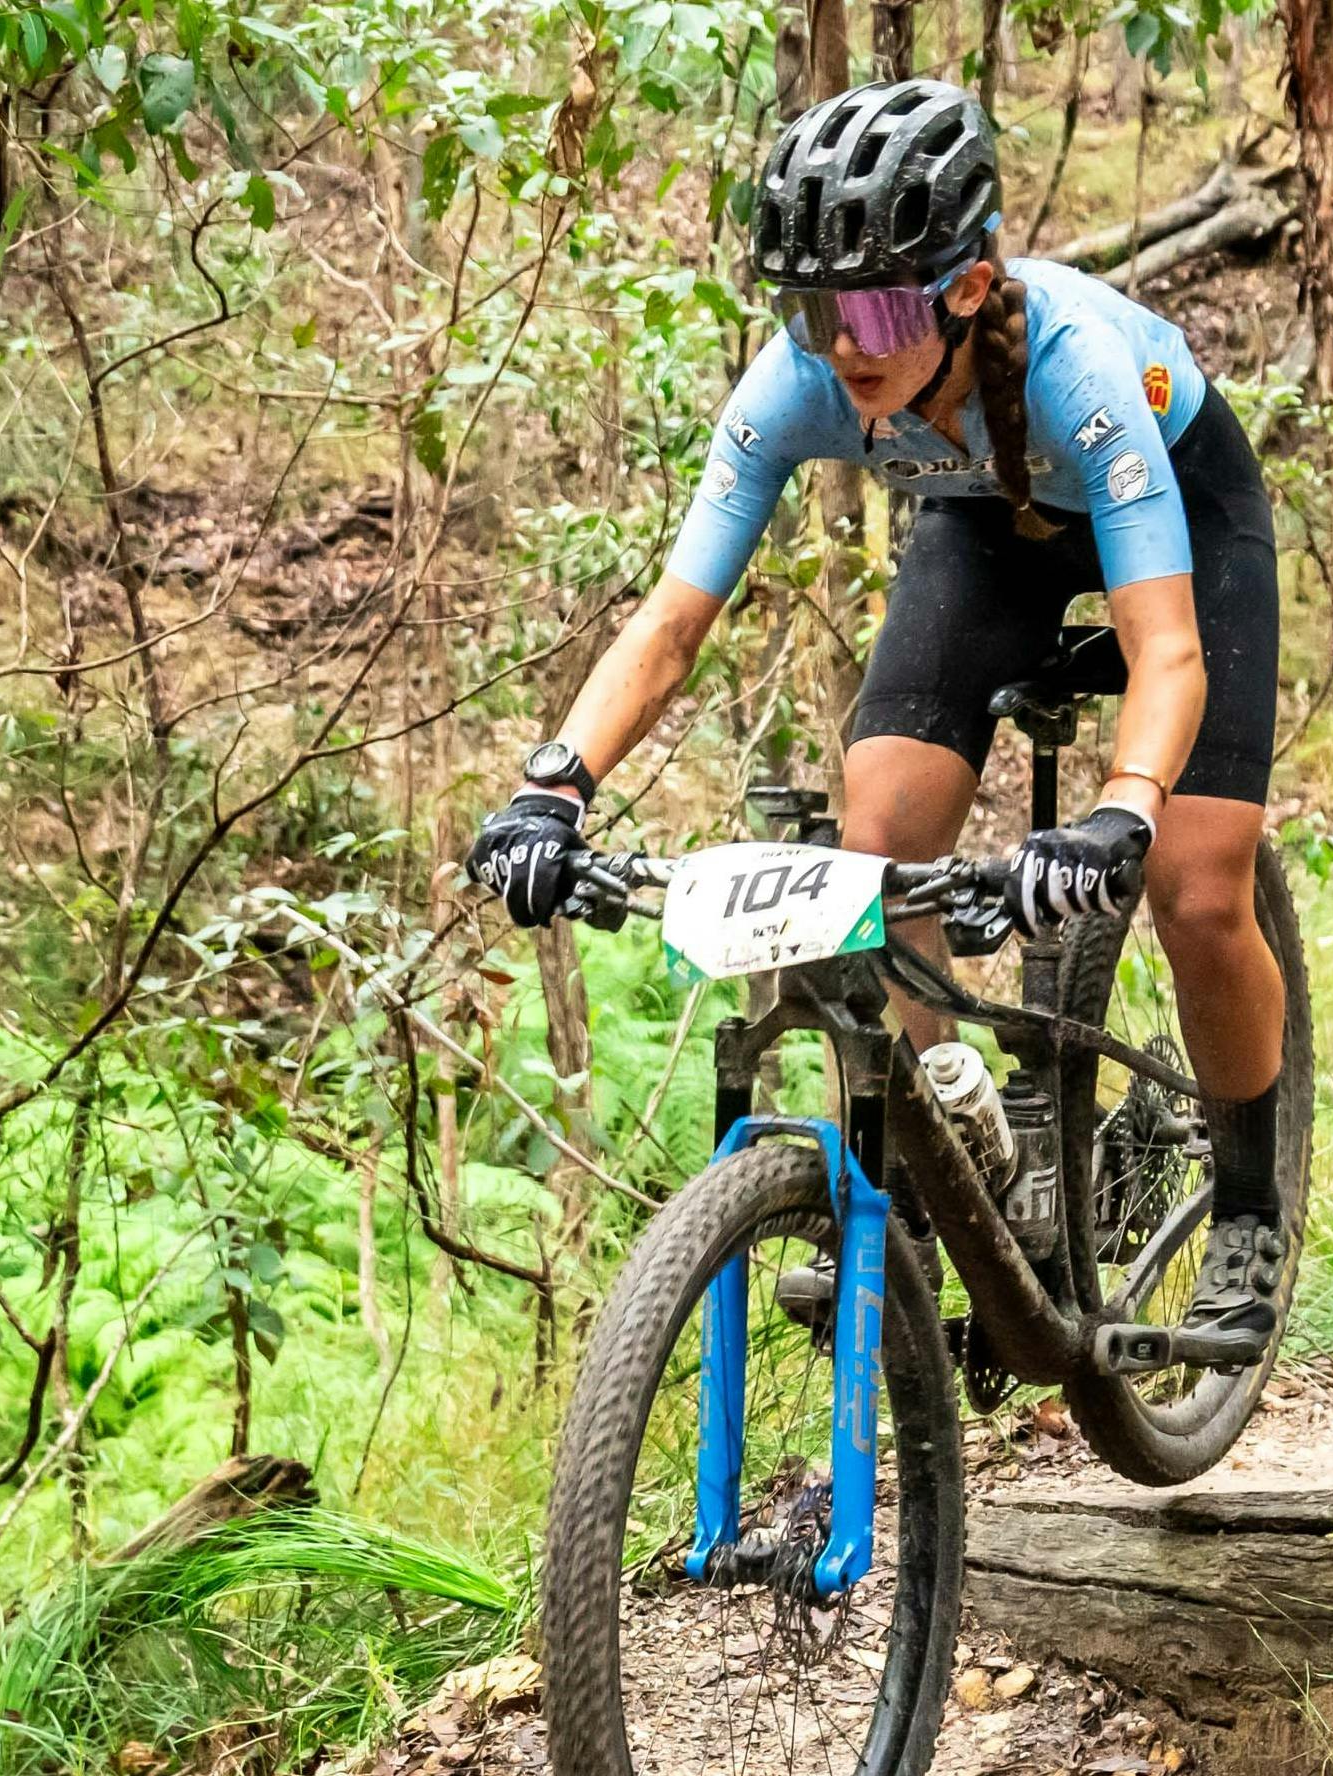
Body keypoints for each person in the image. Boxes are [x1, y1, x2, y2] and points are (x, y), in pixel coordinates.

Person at [465, 76, 1290, 1340]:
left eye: (873, 305)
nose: (840, 340)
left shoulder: (1076, 368)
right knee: (879, 842)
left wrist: (1122, 814)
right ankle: (956, 1126)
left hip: (1181, 511)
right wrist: (552, 783)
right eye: (809, 304)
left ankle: (1248, 1203)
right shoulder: (799, 381)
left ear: (965, 288)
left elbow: (1167, 649)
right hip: (981, 523)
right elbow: (673, 621)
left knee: (1191, 883)